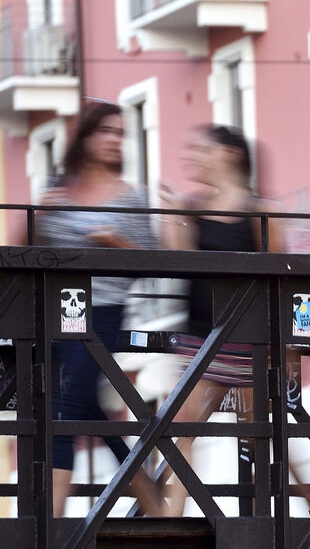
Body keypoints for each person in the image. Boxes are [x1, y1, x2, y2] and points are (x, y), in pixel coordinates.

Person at [32, 101, 163, 516]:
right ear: (85, 136)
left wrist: (116, 245)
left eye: (120, 133)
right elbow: (30, 250)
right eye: (106, 130)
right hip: (55, 310)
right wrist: (39, 216)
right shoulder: (59, 189)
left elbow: (154, 264)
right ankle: (148, 495)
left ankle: (51, 527)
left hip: (104, 310)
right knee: (85, 407)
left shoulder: (133, 197)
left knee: (67, 410)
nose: (114, 140)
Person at [159, 123, 284, 516]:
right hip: (202, 338)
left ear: (230, 154)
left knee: (261, 437)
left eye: (203, 149)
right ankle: (172, 519)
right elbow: (177, 263)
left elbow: (284, 271)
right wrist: (175, 216)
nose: (194, 156)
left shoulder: (261, 211)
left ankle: (302, 507)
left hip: (248, 342)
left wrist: (287, 345)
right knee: (178, 429)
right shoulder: (192, 209)